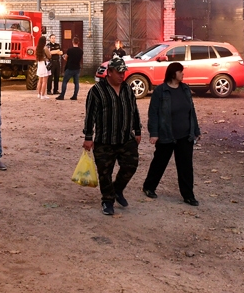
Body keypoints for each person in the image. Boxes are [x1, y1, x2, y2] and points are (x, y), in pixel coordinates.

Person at [82, 56, 142, 216]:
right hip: (104, 140)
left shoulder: (127, 89)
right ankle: (107, 201)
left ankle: (117, 190)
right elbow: (90, 115)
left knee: (131, 165)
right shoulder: (96, 91)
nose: (122, 76)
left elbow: (134, 110)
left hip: (125, 137)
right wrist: (88, 137)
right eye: (118, 72)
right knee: (105, 172)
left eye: (123, 72)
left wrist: (137, 130)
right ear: (109, 72)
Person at [142, 62, 201, 206]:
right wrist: (154, 133)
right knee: (159, 162)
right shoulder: (161, 91)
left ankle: (188, 195)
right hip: (166, 135)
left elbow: (191, 111)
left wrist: (196, 131)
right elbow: (153, 113)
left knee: (186, 166)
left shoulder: (185, 89)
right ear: (173, 73)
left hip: (185, 135)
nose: (183, 74)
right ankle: (149, 187)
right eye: (180, 72)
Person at [35, 35, 51, 99]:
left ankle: (39, 94)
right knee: (45, 81)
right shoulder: (45, 48)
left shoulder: (38, 48)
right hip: (45, 64)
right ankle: (43, 95)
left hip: (39, 63)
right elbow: (49, 56)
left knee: (40, 80)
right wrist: (49, 51)